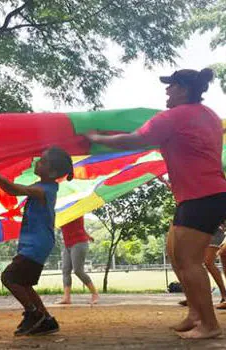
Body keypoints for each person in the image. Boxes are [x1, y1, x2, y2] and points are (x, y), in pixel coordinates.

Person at [87, 68, 226, 339]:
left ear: (183, 89)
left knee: (189, 261)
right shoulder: (208, 115)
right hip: (202, 193)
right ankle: (195, 314)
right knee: (175, 254)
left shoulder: (175, 116)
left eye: (171, 86)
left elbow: (137, 139)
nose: (166, 91)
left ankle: (209, 325)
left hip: (202, 195)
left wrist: (97, 138)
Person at [0, 146, 74, 336]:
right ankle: (46, 320)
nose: (38, 161)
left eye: (43, 161)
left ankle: (33, 313)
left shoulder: (43, 189)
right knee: (24, 282)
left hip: (36, 245)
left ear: (52, 172)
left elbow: (12, 189)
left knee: (9, 277)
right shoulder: (45, 186)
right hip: (37, 243)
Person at [178, 227, 226, 308]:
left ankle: (224, 295)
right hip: (199, 231)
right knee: (193, 262)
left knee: (208, 262)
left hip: (214, 230)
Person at [58, 216, 99, 305]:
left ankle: (95, 294)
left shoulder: (76, 211)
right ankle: (66, 298)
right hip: (67, 244)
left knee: (78, 270)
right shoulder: (61, 213)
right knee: (65, 270)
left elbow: (79, 226)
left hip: (79, 242)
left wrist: (87, 236)